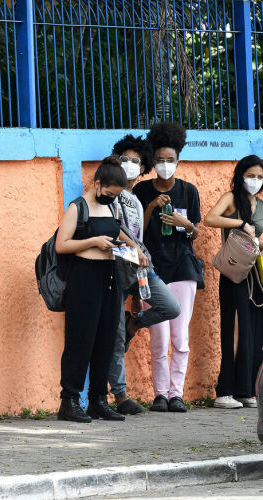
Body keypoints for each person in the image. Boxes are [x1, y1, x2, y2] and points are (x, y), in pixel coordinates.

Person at [55, 156, 148, 423]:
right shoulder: (78, 207)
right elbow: (62, 245)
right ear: (97, 184)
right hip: (84, 277)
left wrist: (135, 248)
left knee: (106, 340)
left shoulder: (110, 208)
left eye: (116, 195)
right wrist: (94, 241)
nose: (111, 198)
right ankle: (70, 400)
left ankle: (98, 400)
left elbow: (117, 231)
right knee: (80, 341)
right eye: (108, 193)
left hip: (110, 277)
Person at [108, 135, 181, 416]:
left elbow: (138, 235)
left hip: (140, 268)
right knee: (114, 336)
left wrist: (138, 302)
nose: (129, 165)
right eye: (124, 159)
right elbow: (109, 226)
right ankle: (121, 394)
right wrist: (130, 246)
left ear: (143, 167)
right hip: (114, 266)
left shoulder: (136, 200)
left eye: (135, 161)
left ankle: (133, 324)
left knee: (170, 306)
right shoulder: (109, 192)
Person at [134, 122, 202, 414]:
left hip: (183, 268)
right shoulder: (141, 190)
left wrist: (185, 224)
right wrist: (150, 207)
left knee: (180, 337)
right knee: (159, 336)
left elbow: (196, 231)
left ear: (178, 161)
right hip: (153, 269)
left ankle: (177, 394)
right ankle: (159, 394)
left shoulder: (189, 191)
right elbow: (135, 231)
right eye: (159, 160)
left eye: (170, 160)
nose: (164, 165)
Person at [203, 155, 263, 409]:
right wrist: (242, 223)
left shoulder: (261, 204)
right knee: (235, 329)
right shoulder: (230, 199)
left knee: (254, 332)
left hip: (256, 274)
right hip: (233, 271)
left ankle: (246, 390)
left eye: (259, 177)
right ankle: (224, 391)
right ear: (241, 176)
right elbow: (210, 219)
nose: (255, 181)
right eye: (250, 176)